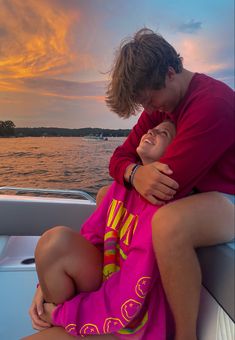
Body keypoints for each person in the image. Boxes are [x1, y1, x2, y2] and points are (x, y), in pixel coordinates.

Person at [105, 28, 235, 340]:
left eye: (150, 100)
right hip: (198, 193)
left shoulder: (212, 103)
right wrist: (135, 174)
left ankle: (184, 335)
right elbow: (118, 159)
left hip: (229, 195)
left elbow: (167, 187)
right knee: (105, 195)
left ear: (170, 73)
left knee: (168, 224)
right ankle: (116, 292)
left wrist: (139, 174)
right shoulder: (161, 105)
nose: (149, 112)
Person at [25, 121, 177, 340]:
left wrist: (59, 314)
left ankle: (63, 323)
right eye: (151, 128)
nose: (151, 131)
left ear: (176, 152)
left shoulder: (161, 212)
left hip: (131, 322)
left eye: (163, 133)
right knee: (54, 242)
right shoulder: (121, 189)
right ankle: (63, 322)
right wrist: (44, 290)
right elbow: (91, 238)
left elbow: (127, 291)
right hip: (102, 293)